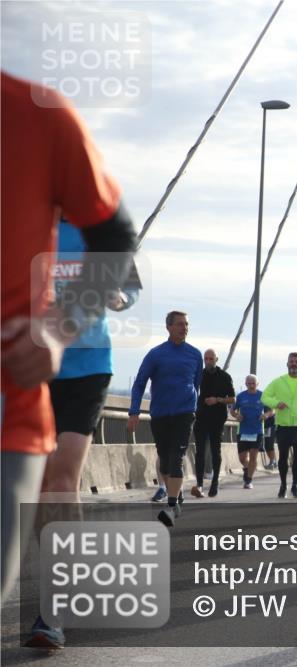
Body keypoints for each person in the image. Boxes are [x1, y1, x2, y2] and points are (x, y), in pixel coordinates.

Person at [1, 72, 137, 604]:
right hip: (34, 378)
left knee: (61, 480)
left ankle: (55, 603)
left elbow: (124, 265)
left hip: (79, 364)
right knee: (41, 487)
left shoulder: (39, 119)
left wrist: (72, 320)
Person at [128, 311, 202, 528]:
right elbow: (139, 383)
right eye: (179, 324)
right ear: (168, 327)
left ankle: (171, 506)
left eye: (186, 324)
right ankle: (176, 496)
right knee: (165, 460)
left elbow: (196, 383)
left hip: (184, 413)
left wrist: (192, 404)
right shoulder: (156, 354)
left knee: (177, 457)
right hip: (160, 413)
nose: (184, 328)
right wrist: (134, 411)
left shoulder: (195, 354)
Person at [261, 352, 297, 498]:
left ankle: (295, 486)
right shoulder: (278, 381)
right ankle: (283, 485)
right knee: (283, 457)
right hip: (283, 425)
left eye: (296, 362)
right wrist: (276, 403)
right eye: (291, 361)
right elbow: (264, 397)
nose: (294, 364)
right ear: (287, 364)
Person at [191, 349, 235, 498]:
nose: (208, 361)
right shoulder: (199, 375)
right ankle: (199, 485)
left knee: (216, 451)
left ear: (217, 359)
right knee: (200, 451)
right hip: (201, 417)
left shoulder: (225, 377)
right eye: (206, 359)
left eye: (211, 359)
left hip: (217, 418)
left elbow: (232, 399)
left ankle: (214, 482)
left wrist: (217, 400)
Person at [231, 374, 271, 489]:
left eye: (253, 383)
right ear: (246, 384)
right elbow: (232, 410)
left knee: (253, 457)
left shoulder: (263, 396)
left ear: (257, 384)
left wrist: (266, 415)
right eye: (249, 383)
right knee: (242, 458)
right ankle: (247, 469)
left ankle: (248, 480)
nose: (251, 385)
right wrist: (237, 416)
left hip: (257, 431)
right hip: (243, 431)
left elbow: (272, 410)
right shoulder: (241, 396)